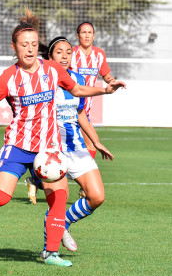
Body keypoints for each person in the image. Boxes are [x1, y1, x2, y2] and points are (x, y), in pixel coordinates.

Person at [0, 9, 125, 267]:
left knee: (59, 197)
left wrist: (105, 89)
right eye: (23, 45)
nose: (29, 49)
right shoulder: (8, 77)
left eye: (33, 45)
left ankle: (49, 253)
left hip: (48, 149)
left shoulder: (51, 70)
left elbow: (78, 89)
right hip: (17, 145)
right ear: (13, 47)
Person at [30, 36, 115, 256]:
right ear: (49, 56)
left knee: (97, 197)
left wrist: (96, 141)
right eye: (59, 51)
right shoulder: (41, 79)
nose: (65, 55)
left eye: (68, 51)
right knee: (58, 201)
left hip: (76, 147)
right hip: (52, 152)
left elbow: (80, 114)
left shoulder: (76, 80)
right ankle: (51, 251)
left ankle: (64, 223)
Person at [71, 21, 116, 198]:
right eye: (83, 32)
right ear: (78, 36)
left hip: (86, 109)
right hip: (72, 106)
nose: (87, 35)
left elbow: (106, 75)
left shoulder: (99, 54)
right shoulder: (71, 54)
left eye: (90, 32)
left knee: (85, 145)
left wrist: (113, 82)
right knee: (89, 144)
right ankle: (85, 184)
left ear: (94, 36)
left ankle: (37, 180)